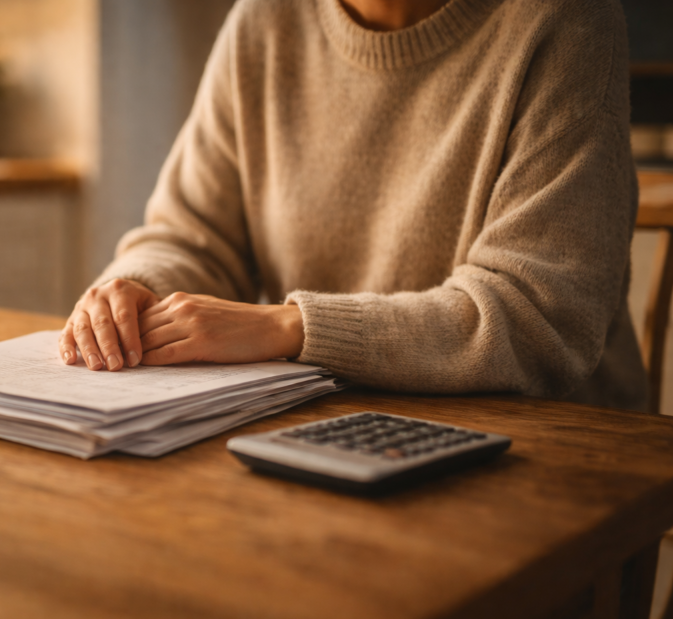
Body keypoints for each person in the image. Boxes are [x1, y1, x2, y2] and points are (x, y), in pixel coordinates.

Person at [59, 0, 649, 411]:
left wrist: (289, 327)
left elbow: (537, 319)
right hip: (327, 425)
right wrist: (136, 286)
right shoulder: (263, 22)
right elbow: (190, 235)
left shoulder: (566, 20)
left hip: (546, 457)